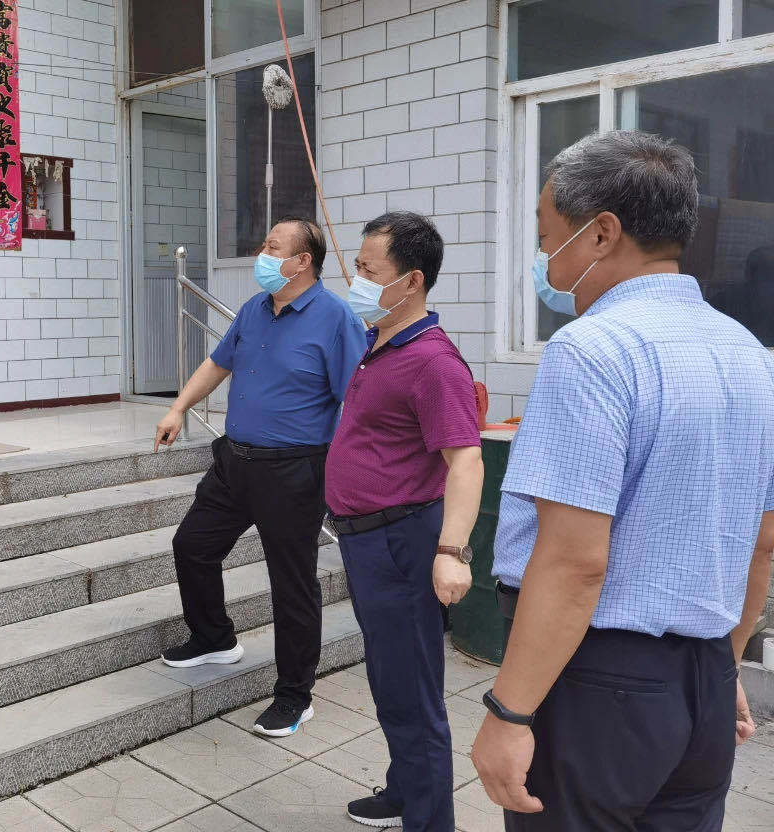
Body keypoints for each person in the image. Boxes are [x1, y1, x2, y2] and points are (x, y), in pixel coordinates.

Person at [471, 130, 774, 831]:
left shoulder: (592, 349)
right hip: (705, 672)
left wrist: (510, 711)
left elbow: (574, 560)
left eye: (548, 238)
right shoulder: (750, 355)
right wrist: (723, 667)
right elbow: (762, 544)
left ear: (602, 233)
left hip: (598, 681)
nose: (545, 260)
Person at [154, 217, 367, 737]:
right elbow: (218, 363)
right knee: (193, 545)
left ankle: (295, 695)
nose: (262, 254)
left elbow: (358, 401)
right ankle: (214, 638)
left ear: (302, 262)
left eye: (273, 247)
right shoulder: (254, 309)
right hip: (234, 461)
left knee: (291, 584)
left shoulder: (336, 319)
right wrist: (179, 407)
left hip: (294, 470)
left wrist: (347, 472)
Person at [323, 211, 484, 831]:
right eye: (357, 267)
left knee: (413, 690)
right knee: (390, 677)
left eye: (369, 271)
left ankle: (430, 820)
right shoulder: (381, 342)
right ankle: (404, 789)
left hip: (402, 541)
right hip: (367, 540)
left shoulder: (434, 363)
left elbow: (466, 462)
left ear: (411, 280)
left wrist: (453, 552)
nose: (357, 280)